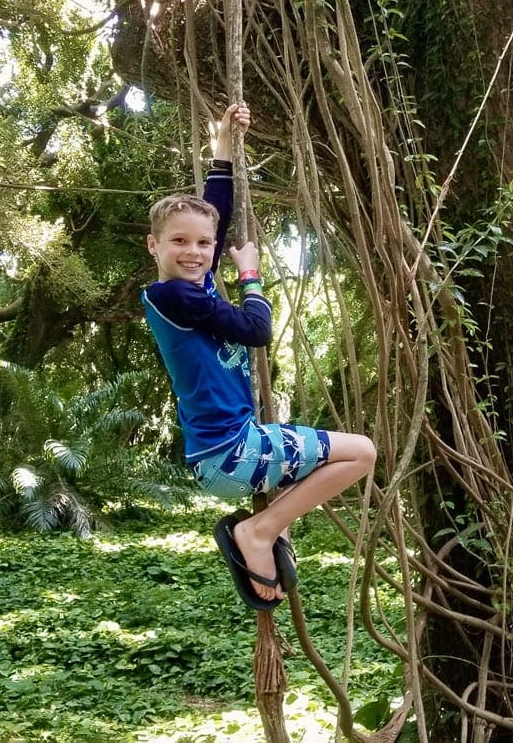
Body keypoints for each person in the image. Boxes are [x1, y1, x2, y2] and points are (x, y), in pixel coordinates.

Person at [142, 103, 376, 610]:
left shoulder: (191, 286)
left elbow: (216, 216)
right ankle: (260, 531)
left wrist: (223, 149)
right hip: (233, 454)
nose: (196, 252)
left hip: (225, 453)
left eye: (203, 244)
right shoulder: (172, 297)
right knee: (362, 452)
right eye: (178, 242)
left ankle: (273, 527)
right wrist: (249, 273)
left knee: (333, 454)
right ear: (153, 246)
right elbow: (256, 330)